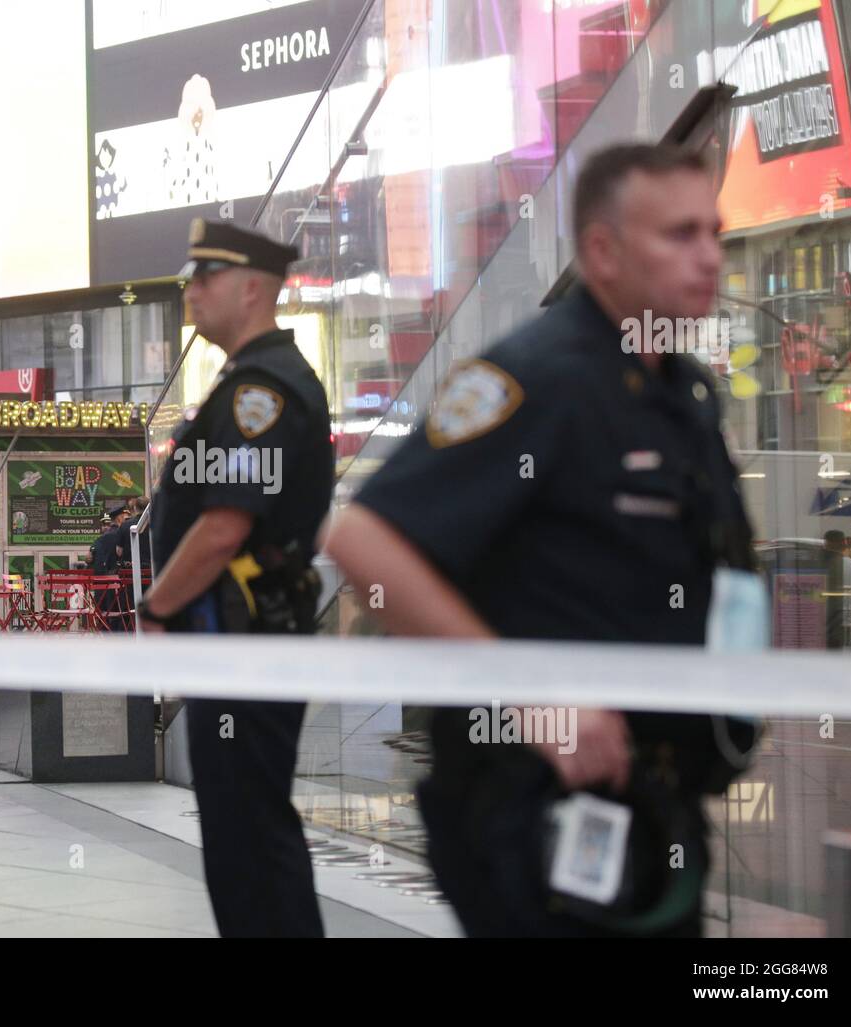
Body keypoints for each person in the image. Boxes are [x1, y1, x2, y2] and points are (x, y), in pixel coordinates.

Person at [326, 144, 759, 937]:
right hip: (538, 807)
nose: (708, 257)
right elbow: (365, 539)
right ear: (602, 250)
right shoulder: (542, 375)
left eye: (714, 232)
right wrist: (530, 695)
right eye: (680, 234)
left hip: (651, 802)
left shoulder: (681, 391)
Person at [141, 219, 333, 937]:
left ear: (252, 289)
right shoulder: (247, 385)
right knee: (242, 829)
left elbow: (224, 525)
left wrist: (155, 609)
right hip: (241, 635)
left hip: (246, 637)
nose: (192, 291)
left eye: (205, 277)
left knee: (249, 834)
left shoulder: (262, 394)